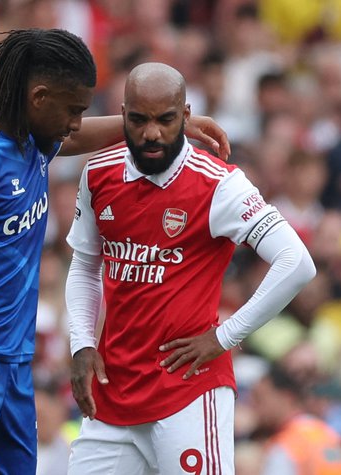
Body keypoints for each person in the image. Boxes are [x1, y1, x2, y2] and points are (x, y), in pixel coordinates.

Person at [0, 29, 230, 475]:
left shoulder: (31, 139)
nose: (76, 121)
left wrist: (168, 128)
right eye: (73, 109)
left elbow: (73, 139)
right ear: (39, 97)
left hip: (11, 358)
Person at [64, 62, 315, 475]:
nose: (151, 134)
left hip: (188, 391)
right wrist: (81, 344)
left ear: (186, 115)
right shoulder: (98, 172)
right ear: (122, 113)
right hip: (113, 393)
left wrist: (224, 337)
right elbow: (86, 264)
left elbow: (296, 262)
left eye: (164, 120)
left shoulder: (219, 184)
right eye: (139, 119)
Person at [250, 364, 341, 475]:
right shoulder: (328, 434)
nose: (253, 406)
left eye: (259, 398)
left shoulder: (286, 445)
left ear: (286, 397)